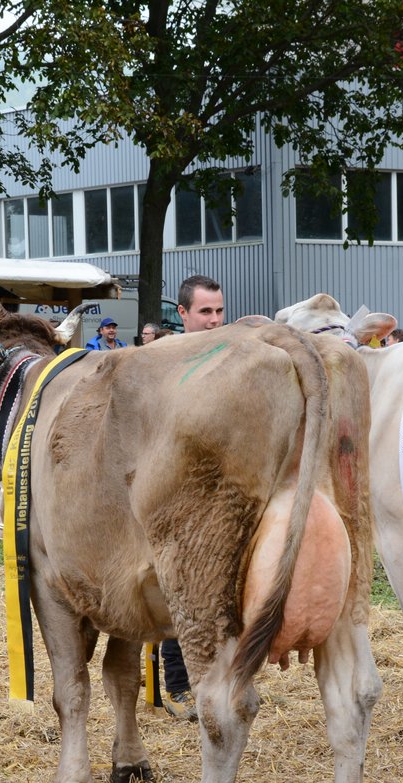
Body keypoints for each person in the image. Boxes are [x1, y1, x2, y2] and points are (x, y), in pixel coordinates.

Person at [157, 274, 228, 722]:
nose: (215, 320)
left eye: (219, 311)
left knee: (220, 592)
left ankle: (219, 679)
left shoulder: (231, 358)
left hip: (222, 495)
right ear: (182, 314)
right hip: (174, 495)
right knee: (176, 591)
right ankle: (178, 685)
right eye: (205, 312)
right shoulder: (161, 362)